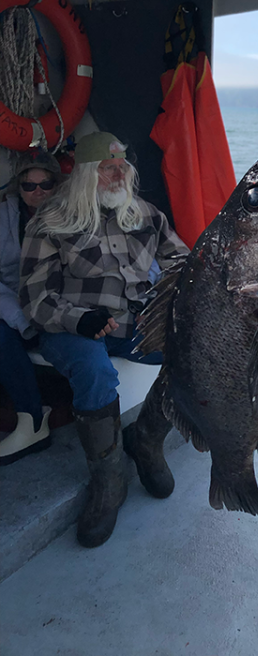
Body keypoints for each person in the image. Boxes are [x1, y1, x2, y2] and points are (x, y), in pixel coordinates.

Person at [19, 131, 189, 548]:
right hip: (72, 327)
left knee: (188, 352)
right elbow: (33, 298)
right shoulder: (50, 222)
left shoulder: (145, 214)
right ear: (84, 174)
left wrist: (175, 298)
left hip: (133, 322)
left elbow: (183, 261)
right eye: (107, 167)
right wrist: (78, 319)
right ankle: (109, 478)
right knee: (93, 370)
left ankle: (146, 440)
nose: (118, 174)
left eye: (123, 166)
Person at [0, 151, 62, 465]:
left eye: (46, 183)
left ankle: (35, 419)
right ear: (18, 188)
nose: (37, 191)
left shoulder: (70, 217)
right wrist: (18, 315)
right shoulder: (3, 218)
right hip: (16, 309)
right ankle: (31, 416)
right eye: (28, 185)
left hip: (59, 308)